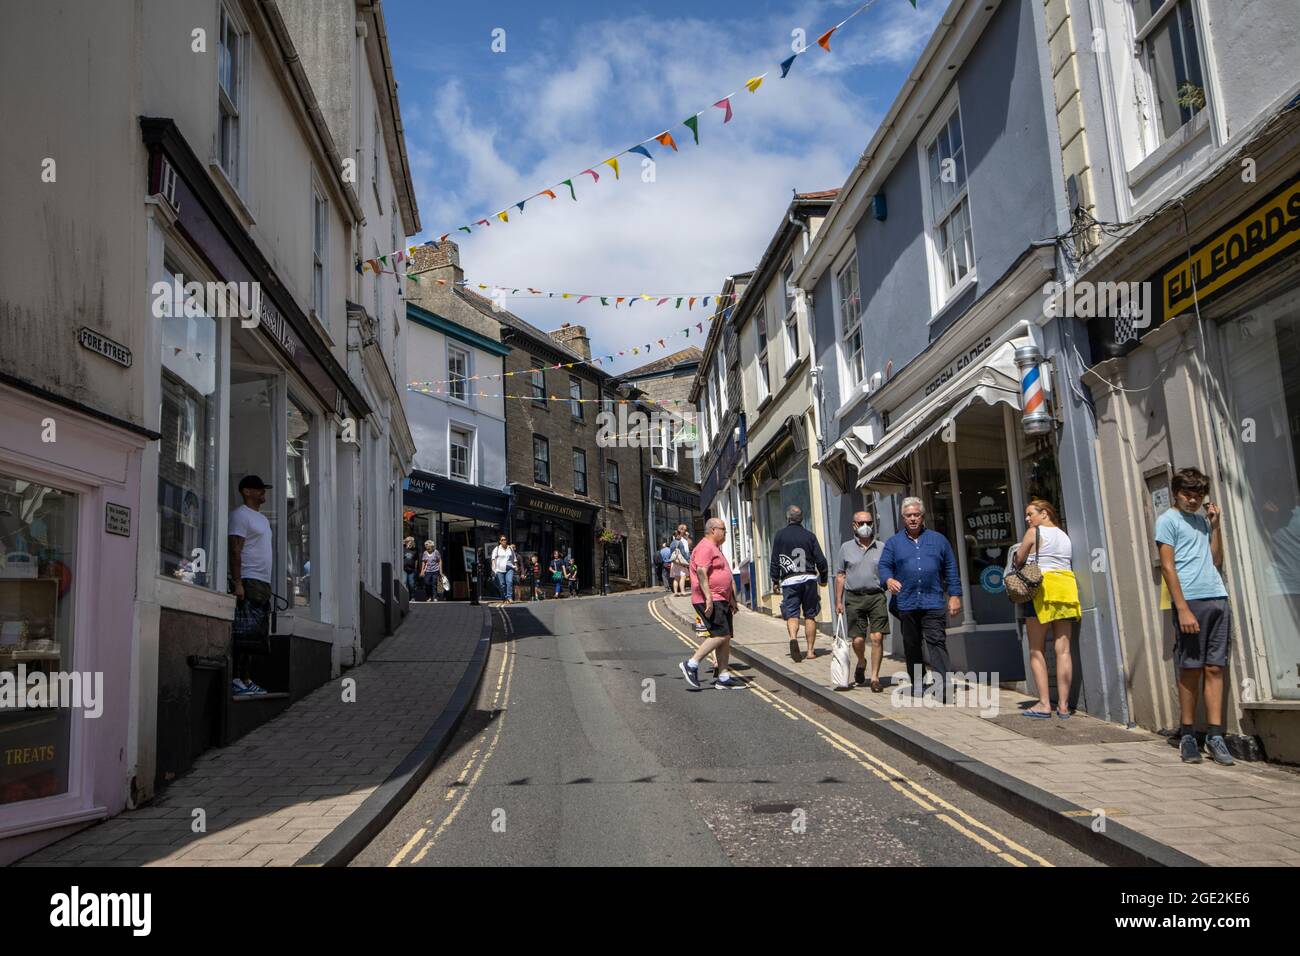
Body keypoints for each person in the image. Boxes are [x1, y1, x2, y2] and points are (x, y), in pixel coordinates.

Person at [1156, 467, 1235, 766]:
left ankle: (1215, 736)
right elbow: (1167, 567)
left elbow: (1215, 560)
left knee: (1215, 667)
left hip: (1217, 597)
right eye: (1187, 494)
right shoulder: (1167, 521)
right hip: (1191, 599)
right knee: (1191, 668)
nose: (1193, 500)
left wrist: (1215, 526)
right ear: (1176, 493)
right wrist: (1183, 607)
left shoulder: (1202, 521)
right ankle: (1188, 734)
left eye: (1198, 495)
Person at [879, 497, 962, 702]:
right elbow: (883, 567)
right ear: (903, 518)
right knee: (912, 644)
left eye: (916, 515)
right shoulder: (893, 543)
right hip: (906, 603)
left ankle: (943, 686)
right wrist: (888, 579)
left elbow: (951, 569)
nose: (913, 519)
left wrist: (955, 596)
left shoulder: (939, 540)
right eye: (909, 516)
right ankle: (917, 682)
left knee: (937, 642)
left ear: (923, 517)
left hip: (933, 600)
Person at [1012, 500, 1080, 719]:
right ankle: (1063, 705)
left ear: (1044, 513)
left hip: (1042, 589)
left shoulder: (1034, 532)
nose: (1027, 518)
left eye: (1030, 513)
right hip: (1066, 587)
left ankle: (1043, 704)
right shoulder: (1064, 535)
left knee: (1036, 649)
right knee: (1064, 650)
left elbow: (1019, 560)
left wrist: (1018, 555)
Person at [679, 517, 744, 689]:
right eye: (723, 529)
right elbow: (701, 571)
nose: (725, 533)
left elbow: (724, 575)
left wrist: (732, 599)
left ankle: (723, 677)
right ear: (713, 530)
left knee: (725, 637)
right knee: (720, 635)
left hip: (721, 599)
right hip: (711, 599)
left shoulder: (714, 548)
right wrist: (708, 597)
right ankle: (691, 664)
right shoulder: (705, 547)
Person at [228, 474, 274, 696]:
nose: (263, 492)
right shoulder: (240, 515)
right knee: (243, 632)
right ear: (246, 491)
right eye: (259, 489)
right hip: (248, 578)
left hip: (262, 581)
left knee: (255, 635)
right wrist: (238, 582)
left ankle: (246, 678)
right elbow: (235, 549)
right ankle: (237, 678)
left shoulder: (262, 519)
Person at [835, 510, 888, 691]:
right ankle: (862, 661)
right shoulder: (846, 548)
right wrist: (838, 601)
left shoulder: (881, 547)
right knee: (857, 640)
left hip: (876, 596)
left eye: (869, 522)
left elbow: (888, 572)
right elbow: (840, 575)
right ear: (854, 526)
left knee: (877, 637)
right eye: (861, 523)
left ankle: (874, 678)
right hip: (854, 597)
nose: (866, 526)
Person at [770, 505, 829, 662]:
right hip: (809, 578)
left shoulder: (780, 536)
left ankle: (793, 638)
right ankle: (810, 651)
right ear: (801, 519)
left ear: (788, 518)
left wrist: (774, 580)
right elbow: (821, 560)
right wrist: (823, 578)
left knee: (792, 614)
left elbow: (775, 560)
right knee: (810, 614)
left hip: (790, 580)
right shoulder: (809, 536)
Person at [491, 535, 517, 604]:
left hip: (509, 568)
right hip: (499, 569)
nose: (504, 541)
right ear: (500, 541)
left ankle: (509, 597)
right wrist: (494, 569)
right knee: (502, 585)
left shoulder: (510, 548)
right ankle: (504, 597)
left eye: (505, 539)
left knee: (510, 581)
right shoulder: (496, 549)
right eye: (502, 540)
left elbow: (514, 558)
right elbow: (493, 559)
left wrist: (516, 566)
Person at [669, 529, 691, 595]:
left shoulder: (671, 543)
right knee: (683, 577)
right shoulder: (680, 542)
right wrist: (688, 560)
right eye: (680, 535)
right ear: (678, 535)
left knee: (676, 578)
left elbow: (671, 553)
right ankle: (682, 591)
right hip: (681, 562)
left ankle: (675, 592)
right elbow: (683, 553)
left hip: (674, 562)